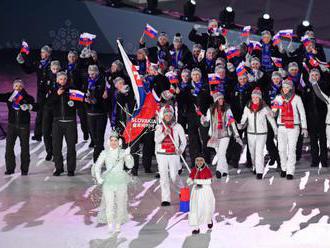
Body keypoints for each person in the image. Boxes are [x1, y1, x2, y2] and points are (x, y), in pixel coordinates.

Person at [93, 131, 133, 233]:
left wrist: (128, 156)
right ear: (108, 142)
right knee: (109, 203)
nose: (113, 142)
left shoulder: (123, 152)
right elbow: (97, 166)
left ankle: (118, 224)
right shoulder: (104, 153)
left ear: (119, 142)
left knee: (120, 203)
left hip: (121, 180)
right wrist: (99, 178)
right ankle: (110, 224)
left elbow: (130, 166)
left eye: (115, 140)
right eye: (111, 140)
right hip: (108, 181)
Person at [238, 87, 277, 179]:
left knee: (259, 152)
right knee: (252, 152)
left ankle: (260, 172)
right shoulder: (247, 107)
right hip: (250, 133)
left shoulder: (265, 107)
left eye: (257, 97)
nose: (255, 99)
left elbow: (271, 120)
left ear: (260, 98)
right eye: (253, 97)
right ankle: (255, 166)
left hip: (262, 133)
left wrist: (276, 131)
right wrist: (241, 124)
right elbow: (244, 118)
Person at [272, 80, 307, 179]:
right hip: (281, 127)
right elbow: (274, 112)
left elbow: (302, 113)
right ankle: (283, 168)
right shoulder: (278, 98)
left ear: (291, 88)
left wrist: (304, 127)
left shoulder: (297, 98)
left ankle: (290, 171)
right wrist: (273, 111)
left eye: (287, 87)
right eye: (284, 87)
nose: (285, 89)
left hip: (293, 127)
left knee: (291, 149)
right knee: (281, 149)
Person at [201, 92, 241, 178]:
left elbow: (232, 121)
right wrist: (203, 120)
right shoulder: (210, 110)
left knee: (221, 152)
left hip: (225, 134)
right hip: (214, 135)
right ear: (215, 100)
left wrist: (236, 133)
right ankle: (225, 170)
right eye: (219, 99)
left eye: (222, 98)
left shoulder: (227, 109)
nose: (221, 100)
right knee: (219, 153)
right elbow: (206, 122)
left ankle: (218, 170)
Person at [16, 45, 52, 141]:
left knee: (50, 112)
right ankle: (38, 134)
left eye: (44, 52)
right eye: (41, 52)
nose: (41, 54)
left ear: (48, 53)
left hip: (51, 92)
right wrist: (21, 62)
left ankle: (50, 132)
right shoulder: (38, 63)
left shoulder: (53, 64)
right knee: (39, 112)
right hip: (40, 92)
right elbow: (28, 70)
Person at [0, 79, 36, 175]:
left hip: (24, 126)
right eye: (16, 86)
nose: (18, 88)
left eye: (20, 86)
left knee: (24, 148)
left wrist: (29, 106)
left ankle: (24, 170)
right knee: (9, 148)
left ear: (23, 87)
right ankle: (10, 169)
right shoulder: (9, 96)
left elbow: (36, 107)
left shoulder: (28, 98)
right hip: (12, 125)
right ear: (13, 87)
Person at [154, 105, 187, 206]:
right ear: (163, 116)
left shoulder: (178, 126)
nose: (168, 116)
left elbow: (184, 141)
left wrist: (181, 149)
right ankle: (166, 199)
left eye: (170, 114)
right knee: (164, 177)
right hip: (161, 154)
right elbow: (157, 140)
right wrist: (164, 133)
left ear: (172, 115)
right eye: (166, 114)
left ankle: (183, 191)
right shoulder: (159, 126)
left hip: (173, 154)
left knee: (174, 176)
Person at [48, 71, 78, 176]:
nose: (63, 81)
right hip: (57, 122)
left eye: (64, 79)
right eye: (60, 79)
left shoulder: (72, 90)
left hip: (70, 122)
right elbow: (48, 103)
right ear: (57, 80)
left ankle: (71, 169)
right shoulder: (53, 90)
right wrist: (56, 94)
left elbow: (79, 103)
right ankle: (58, 168)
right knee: (56, 147)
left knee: (71, 147)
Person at [302, 69, 329, 167]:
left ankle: (324, 160)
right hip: (311, 119)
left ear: (319, 76)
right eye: (312, 75)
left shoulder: (324, 86)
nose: (314, 77)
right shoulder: (306, 88)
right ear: (310, 76)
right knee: (313, 141)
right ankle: (315, 160)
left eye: (316, 75)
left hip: (322, 118)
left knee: (323, 140)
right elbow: (304, 105)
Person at [187, 154, 215, 235]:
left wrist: (198, 181)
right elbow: (189, 180)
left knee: (206, 207)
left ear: (204, 161)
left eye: (201, 160)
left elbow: (209, 181)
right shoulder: (193, 170)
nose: (199, 162)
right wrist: (190, 181)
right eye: (197, 160)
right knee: (195, 209)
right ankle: (196, 227)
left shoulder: (207, 170)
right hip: (196, 192)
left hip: (205, 192)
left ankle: (209, 219)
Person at [85, 65, 107, 162]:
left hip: (100, 113)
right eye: (90, 74)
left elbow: (103, 96)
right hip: (90, 113)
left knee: (99, 137)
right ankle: (102, 155)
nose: (91, 75)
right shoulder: (87, 81)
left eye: (93, 73)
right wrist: (85, 99)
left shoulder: (102, 81)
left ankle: (96, 159)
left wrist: (96, 100)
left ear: (97, 72)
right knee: (94, 137)